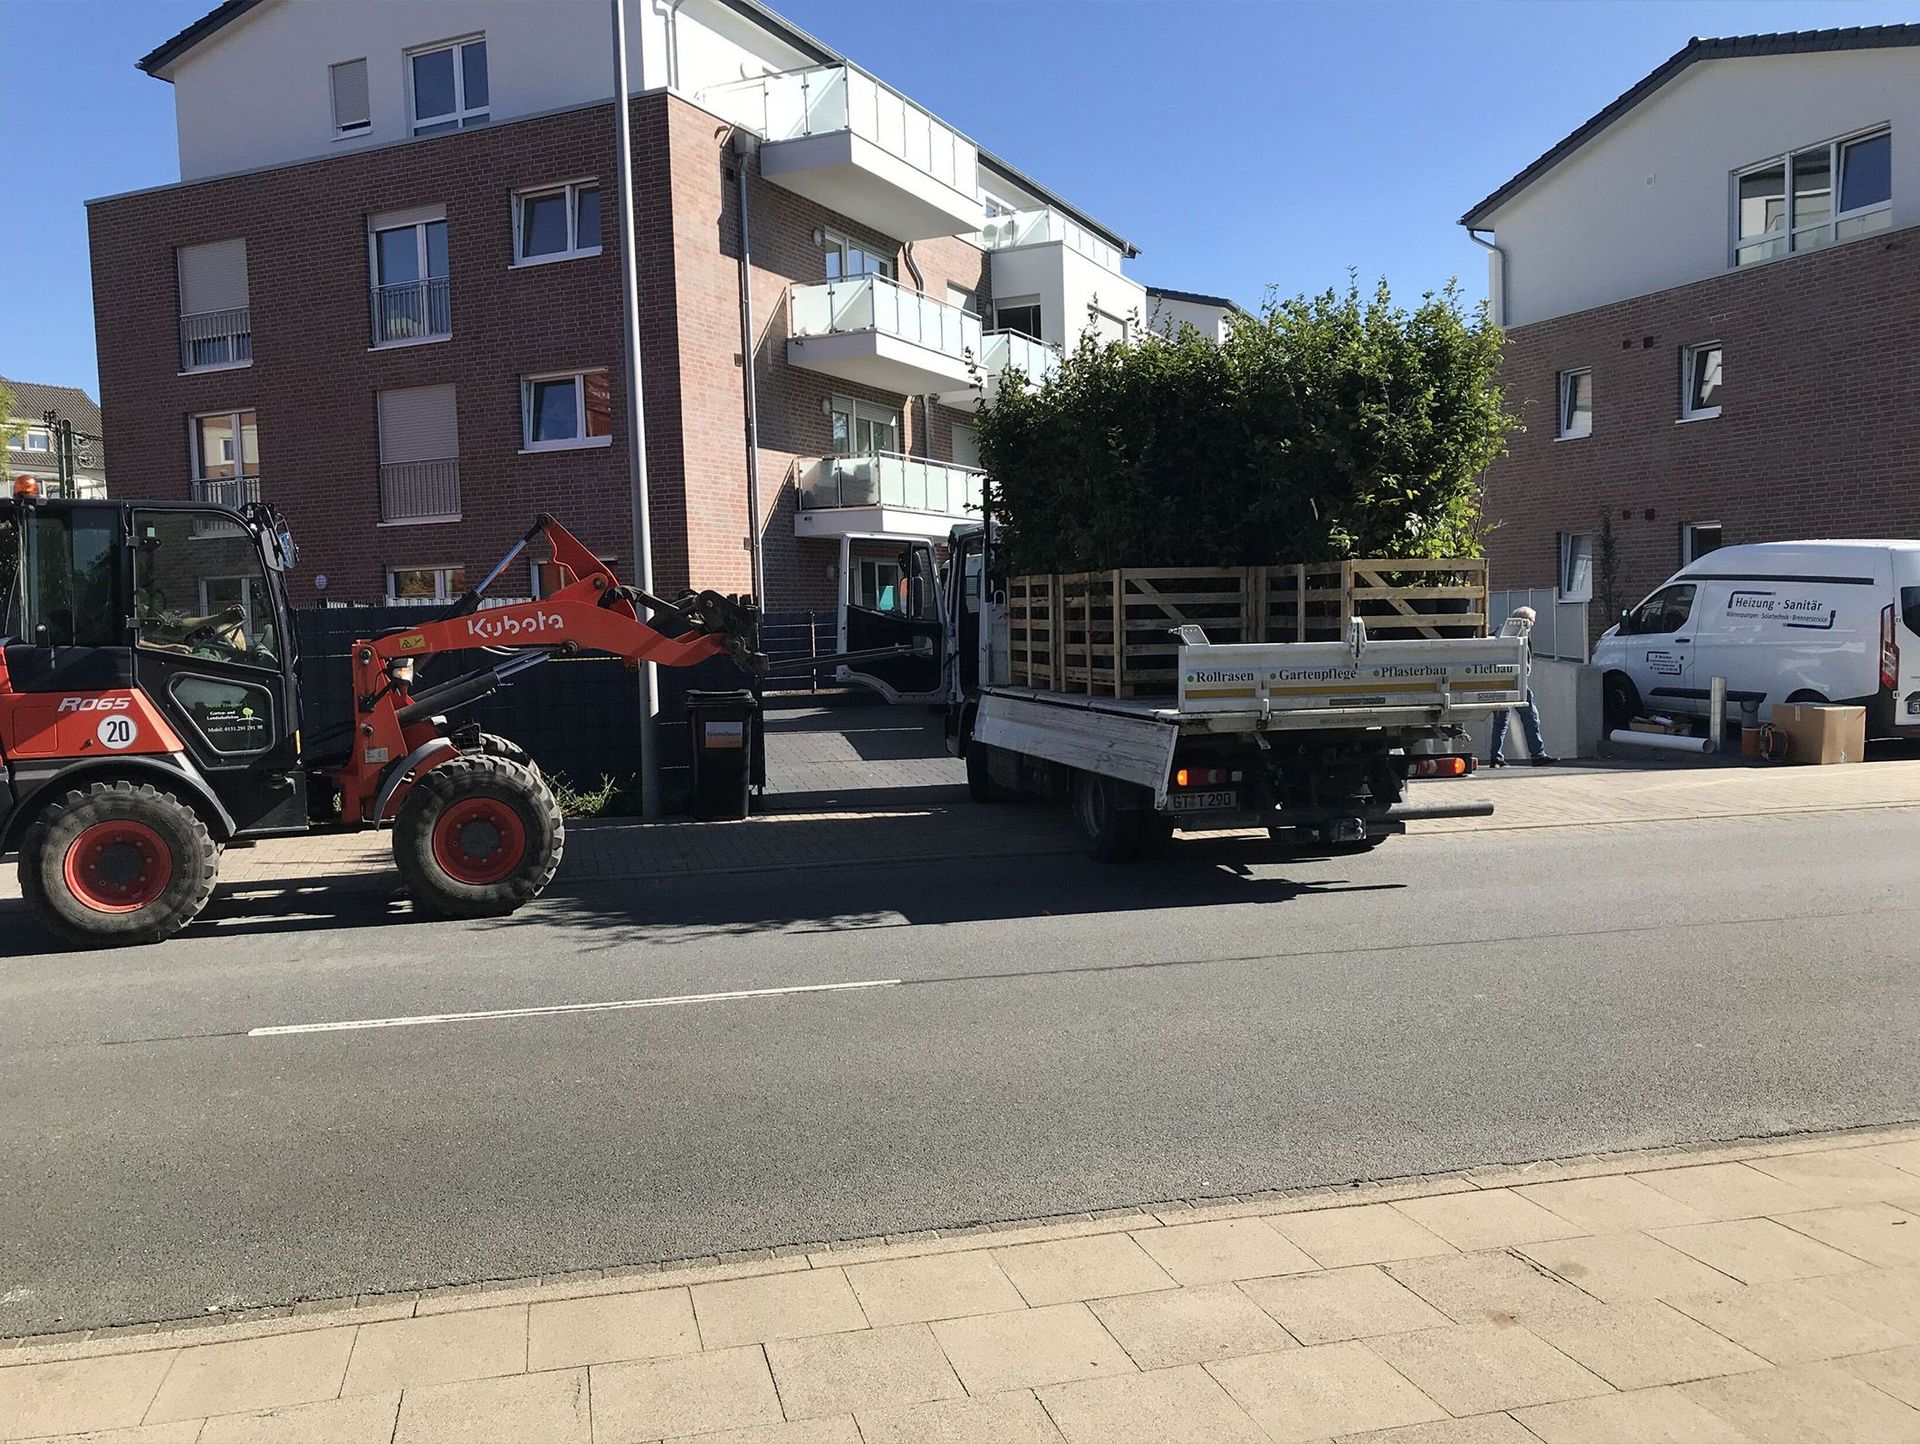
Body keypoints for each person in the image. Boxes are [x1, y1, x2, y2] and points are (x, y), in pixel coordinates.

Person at [1489, 606, 1558, 767]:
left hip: (1500, 681)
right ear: (1526, 621)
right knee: (1531, 718)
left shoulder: (1499, 631)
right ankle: (1538, 755)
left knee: (1501, 721)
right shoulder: (1521, 634)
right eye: (1532, 621)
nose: (1532, 625)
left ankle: (1496, 757)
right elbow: (1523, 663)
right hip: (1517, 682)